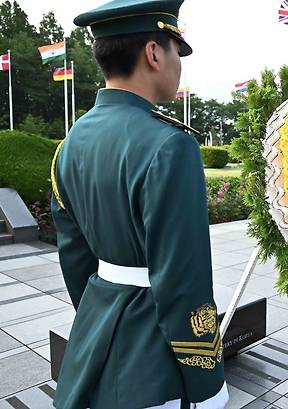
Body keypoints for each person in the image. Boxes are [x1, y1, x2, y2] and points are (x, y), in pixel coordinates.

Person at [50, 1, 227, 408]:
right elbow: (184, 279)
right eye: (176, 52)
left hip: (95, 340)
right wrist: (206, 381)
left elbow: (75, 257)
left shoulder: (70, 143)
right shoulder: (171, 145)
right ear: (152, 53)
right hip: (155, 364)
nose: (178, 65)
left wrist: (101, 318)